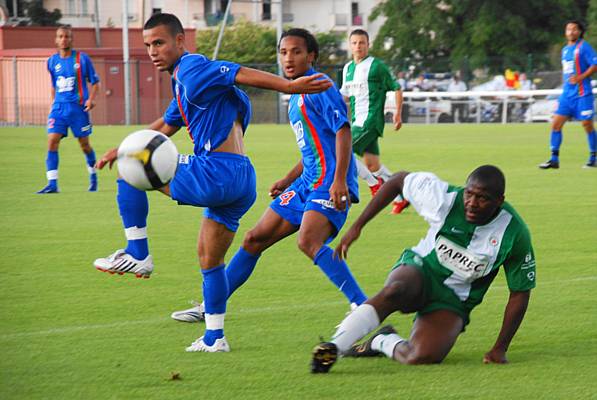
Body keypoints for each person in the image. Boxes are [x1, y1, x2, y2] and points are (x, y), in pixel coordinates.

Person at [92, 13, 332, 353]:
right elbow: (165, 124)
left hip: (216, 172)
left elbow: (237, 71)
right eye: (147, 45)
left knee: (132, 168)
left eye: (159, 42)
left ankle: (137, 253)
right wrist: (124, 146)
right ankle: (214, 337)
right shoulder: (186, 85)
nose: (152, 51)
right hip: (242, 180)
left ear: (179, 42)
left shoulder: (192, 68)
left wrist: (290, 86)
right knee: (210, 259)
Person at [171, 28, 367, 324]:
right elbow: (313, 147)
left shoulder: (320, 85)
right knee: (254, 239)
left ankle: (362, 305)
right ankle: (210, 305)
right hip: (306, 183)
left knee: (308, 241)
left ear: (311, 56)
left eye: (296, 51)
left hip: (328, 182)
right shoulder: (294, 98)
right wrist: (289, 180)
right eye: (283, 52)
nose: (288, 58)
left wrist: (339, 180)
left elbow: (343, 131)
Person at [311, 165, 536, 373]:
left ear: (499, 200)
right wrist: (357, 226)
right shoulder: (444, 197)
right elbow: (398, 180)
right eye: (469, 194)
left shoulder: (514, 233)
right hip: (421, 270)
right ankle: (333, 348)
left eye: (483, 198)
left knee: (421, 356)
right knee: (395, 290)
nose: (472, 203)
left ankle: (382, 341)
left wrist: (500, 348)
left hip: (454, 299)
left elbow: (519, 293)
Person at [340, 29, 409, 214]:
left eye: (362, 42)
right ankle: (400, 197)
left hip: (370, 122)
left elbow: (396, 87)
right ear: (350, 45)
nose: (358, 46)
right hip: (356, 123)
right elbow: (343, 96)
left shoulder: (377, 66)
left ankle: (373, 183)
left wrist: (397, 113)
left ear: (368, 45)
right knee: (372, 165)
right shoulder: (347, 69)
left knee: (340, 151)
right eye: (354, 43)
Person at [37, 25, 100, 194]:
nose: (64, 39)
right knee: (52, 141)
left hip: (78, 109)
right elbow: (53, 85)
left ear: (71, 39)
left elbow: (95, 83)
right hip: (58, 109)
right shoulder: (51, 61)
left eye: (67, 36)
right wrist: (53, 104)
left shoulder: (82, 59)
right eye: (60, 36)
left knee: (85, 145)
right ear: (56, 40)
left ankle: (93, 177)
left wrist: (91, 100)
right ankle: (52, 184)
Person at [540, 20, 597, 169]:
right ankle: (554, 159)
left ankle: (593, 157)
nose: (571, 32)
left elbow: (595, 64)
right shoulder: (565, 50)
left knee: (587, 125)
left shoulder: (583, 47)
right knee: (556, 124)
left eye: (574, 29)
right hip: (567, 95)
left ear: (579, 32)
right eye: (568, 29)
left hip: (583, 94)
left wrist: (581, 77)